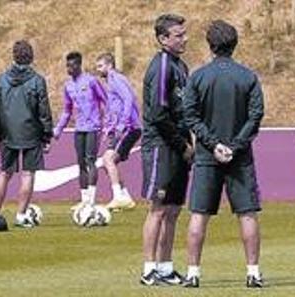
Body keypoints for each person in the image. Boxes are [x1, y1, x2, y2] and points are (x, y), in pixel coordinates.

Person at [181, 20, 266, 288]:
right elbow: (255, 116)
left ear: (210, 45)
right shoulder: (248, 77)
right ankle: (253, 272)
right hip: (239, 157)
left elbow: (191, 115)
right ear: (235, 44)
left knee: (199, 214)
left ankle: (193, 273)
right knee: (248, 213)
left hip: (207, 155)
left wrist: (212, 143)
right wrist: (235, 145)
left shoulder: (198, 77)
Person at [139, 13, 191, 287]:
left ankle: (166, 266)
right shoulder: (161, 66)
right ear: (163, 39)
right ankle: (149, 268)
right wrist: (182, 145)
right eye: (179, 35)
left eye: (184, 33)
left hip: (180, 145)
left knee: (173, 209)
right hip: (161, 145)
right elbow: (158, 113)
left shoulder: (180, 65)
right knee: (158, 209)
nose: (185, 39)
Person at [0, 40, 52, 227]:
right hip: (30, 132)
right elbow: (43, 110)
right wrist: (47, 135)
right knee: (27, 175)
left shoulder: (2, 80)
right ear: (31, 57)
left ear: (14, 56)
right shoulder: (37, 80)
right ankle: (21, 215)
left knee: (5, 173)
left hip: (8, 132)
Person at [54, 51, 108, 211]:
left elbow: (106, 100)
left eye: (72, 65)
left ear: (79, 65)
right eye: (67, 65)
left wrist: (108, 123)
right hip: (79, 128)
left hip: (93, 127)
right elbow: (67, 110)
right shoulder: (68, 86)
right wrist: (58, 129)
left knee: (91, 160)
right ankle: (84, 199)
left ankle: (91, 199)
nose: (68, 69)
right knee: (81, 163)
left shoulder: (91, 81)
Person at [95, 52, 141, 211]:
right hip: (123, 127)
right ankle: (125, 197)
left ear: (109, 65)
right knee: (109, 163)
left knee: (107, 159)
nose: (98, 69)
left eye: (100, 66)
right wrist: (109, 127)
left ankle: (118, 197)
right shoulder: (111, 81)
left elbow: (128, 99)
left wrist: (121, 124)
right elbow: (115, 105)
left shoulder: (115, 79)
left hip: (129, 127)